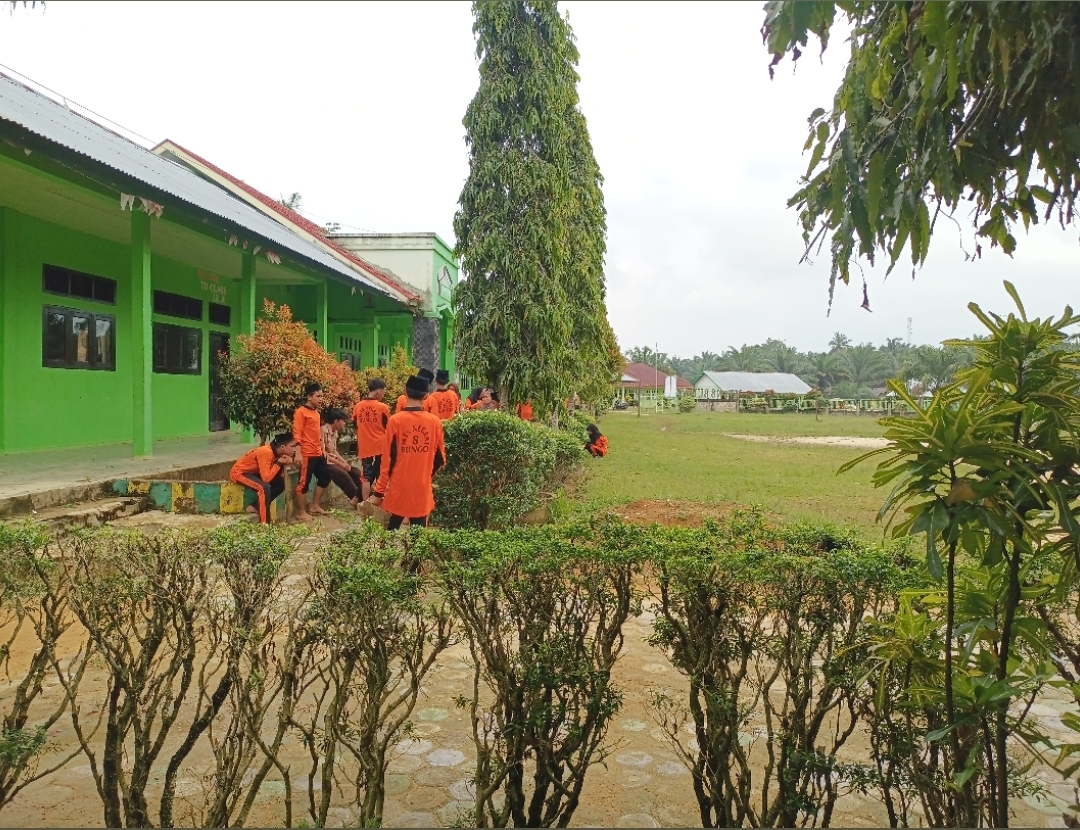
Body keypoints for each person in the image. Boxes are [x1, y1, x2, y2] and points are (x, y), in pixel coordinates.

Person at [368, 374, 446, 530]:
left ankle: (388, 554)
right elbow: (440, 458)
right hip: (421, 487)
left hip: (398, 487)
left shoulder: (395, 421)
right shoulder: (434, 422)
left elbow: (387, 460)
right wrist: (425, 476)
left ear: (405, 391)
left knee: (390, 532)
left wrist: (379, 493)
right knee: (418, 536)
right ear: (425, 396)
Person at [230, 433, 297, 523]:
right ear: (282, 447)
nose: (294, 449)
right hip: (239, 473)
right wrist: (280, 462)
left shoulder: (279, 453)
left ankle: (254, 507)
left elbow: (278, 474)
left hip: (254, 473)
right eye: (292, 446)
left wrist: (286, 462)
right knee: (263, 488)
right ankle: (265, 524)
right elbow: (266, 479)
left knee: (281, 484)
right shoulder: (266, 452)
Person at [293, 382, 332, 519]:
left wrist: (323, 450)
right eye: (318, 396)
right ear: (309, 397)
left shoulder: (316, 413)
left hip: (317, 453)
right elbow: (297, 434)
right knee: (303, 483)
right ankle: (301, 512)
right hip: (306, 454)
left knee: (325, 477)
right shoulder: (300, 412)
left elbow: (318, 434)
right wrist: (298, 453)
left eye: (322, 396)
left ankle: (315, 505)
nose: (321, 399)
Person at [352, 378, 390, 500]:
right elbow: (389, 426)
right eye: (383, 392)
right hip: (380, 445)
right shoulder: (382, 407)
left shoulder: (357, 407)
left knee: (366, 475)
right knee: (380, 473)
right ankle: (379, 500)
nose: (383, 395)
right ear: (378, 391)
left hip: (364, 445)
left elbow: (355, 426)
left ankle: (363, 502)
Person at [321, 408, 363, 508]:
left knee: (355, 471)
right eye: (343, 421)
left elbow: (334, 451)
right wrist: (341, 465)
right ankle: (356, 499)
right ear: (336, 421)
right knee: (343, 475)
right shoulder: (322, 430)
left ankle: (365, 497)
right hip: (324, 463)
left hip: (333, 461)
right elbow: (324, 454)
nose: (344, 424)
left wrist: (345, 463)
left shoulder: (335, 432)